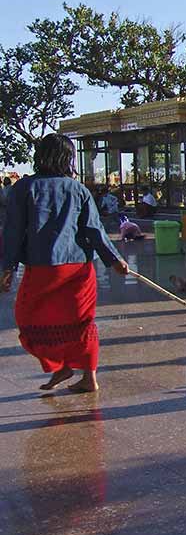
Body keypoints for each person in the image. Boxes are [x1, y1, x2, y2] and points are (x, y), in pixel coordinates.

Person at [1, 134, 128, 393]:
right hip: (79, 268)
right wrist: (115, 260)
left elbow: (12, 231)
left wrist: (8, 267)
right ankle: (87, 377)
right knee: (81, 323)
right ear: (67, 159)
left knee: (28, 320)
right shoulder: (78, 189)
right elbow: (94, 230)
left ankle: (60, 366)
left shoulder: (24, 188)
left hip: (42, 267)